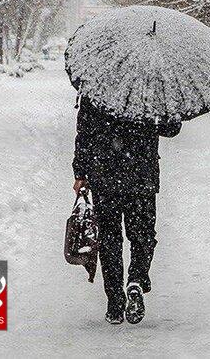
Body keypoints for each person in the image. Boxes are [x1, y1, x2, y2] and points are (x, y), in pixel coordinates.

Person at [72, 96, 181, 324]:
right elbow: (172, 128)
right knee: (143, 235)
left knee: (110, 239)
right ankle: (137, 280)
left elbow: (84, 133)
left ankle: (114, 303)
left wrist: (80, 173)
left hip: (104, 174)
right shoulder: (152, 89)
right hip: (141, 176)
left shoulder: (97, 87)